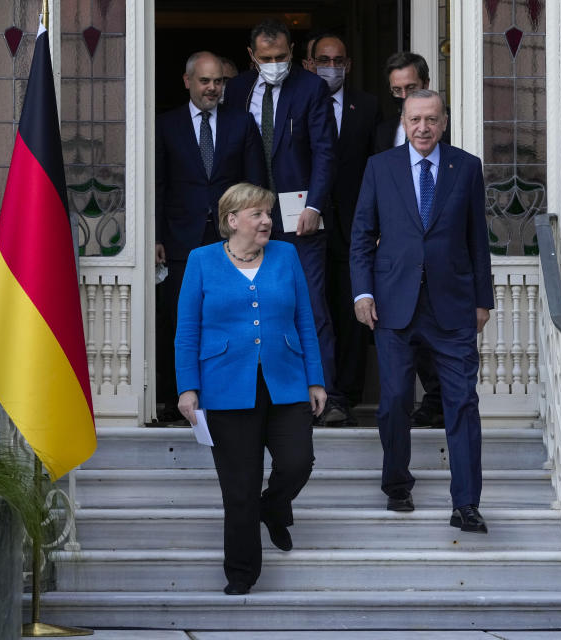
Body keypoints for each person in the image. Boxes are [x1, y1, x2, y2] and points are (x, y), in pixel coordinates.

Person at [351, 90, 493, 533]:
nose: (423, 128)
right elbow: (361, 236)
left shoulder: (466, 167)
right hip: (394, 304)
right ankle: (397, 484)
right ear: (404, 121)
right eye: (415, 120)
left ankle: (466, 503)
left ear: (444, 121)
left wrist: (482, 299)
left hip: (452, 306)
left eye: (431, 119)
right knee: (394, 400)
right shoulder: (380, 167)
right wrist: (362, 294)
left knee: (462, 403)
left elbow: (477, 239)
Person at [176, 182, 327, 595]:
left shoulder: (286, 254)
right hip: (225, 386)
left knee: (298, 462)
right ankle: (241, 574)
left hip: (286, 381)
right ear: (232, 220)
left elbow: (304, 322)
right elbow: (187, 330)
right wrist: (188, 387)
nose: (267, 221)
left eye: (268, 213)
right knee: (239, 487)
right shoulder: (201, 260)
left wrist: (315, 378)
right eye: (258, 214)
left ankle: (274, 507)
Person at [224, 18, 348, 425]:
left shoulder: (311, 89)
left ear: (292, 53)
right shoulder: (238, 90)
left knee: (311, 308)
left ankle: (325, 398)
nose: (274, 64)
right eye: (265, 58)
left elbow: (326, 153)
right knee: (249, 308)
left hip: (302, 219)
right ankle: (257, 398)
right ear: (251, 57)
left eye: (280, 57)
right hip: (249, 219)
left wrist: (315, 206)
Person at [154, 51, 267, 424]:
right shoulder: (165, 125)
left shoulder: (241, 123)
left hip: (229, 240)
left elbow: (254, 184)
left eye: (218, 81)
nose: (212, 88)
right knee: (179, 319)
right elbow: (156, 184)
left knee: (229, 317)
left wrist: (253, 234)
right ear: (188, 82)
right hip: (180, 238)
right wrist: (155, 235)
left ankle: (224, 394)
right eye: (205, 81)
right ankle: (176, 399)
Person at [374, 51, 451, 429]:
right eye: (398, 91)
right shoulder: (383, 130)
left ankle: (437, 401)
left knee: (437, 337)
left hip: (439, 257)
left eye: (412, 88)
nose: (406, 96)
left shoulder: (443, 135)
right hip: (395, 254)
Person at [312, 33, 380, 425]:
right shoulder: (300, 101)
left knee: (355, 307)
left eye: (338, 60)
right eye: (323, 59)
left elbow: (377, 166)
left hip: (355, 223)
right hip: (309, 223)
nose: (331, 67)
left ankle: (349, 396)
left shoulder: (367, 106)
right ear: (309, 64)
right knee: (315, 308)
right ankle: (320, 392)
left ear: (349, 65)